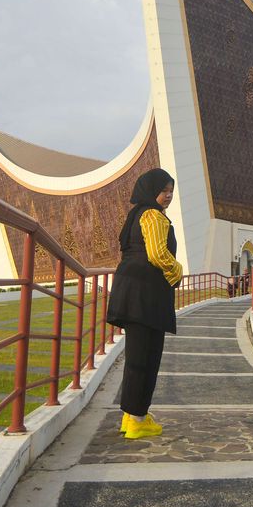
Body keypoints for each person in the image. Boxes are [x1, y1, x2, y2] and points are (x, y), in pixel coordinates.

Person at [106, 168, 183, 440]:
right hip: (146, 295)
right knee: (148, 356)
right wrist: (177, 271)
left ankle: (131, 416)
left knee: (137, 356)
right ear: (151, 191)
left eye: (171, 191)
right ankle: (138, 419)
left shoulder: (136, 214)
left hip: (130, 291)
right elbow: (157, 254)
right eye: (164, 191)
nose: (168, 196)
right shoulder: (152, 216)